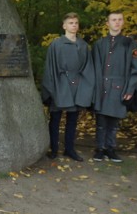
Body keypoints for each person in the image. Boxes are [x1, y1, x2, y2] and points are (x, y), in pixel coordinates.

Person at [90, 11, 137, 162]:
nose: (116, 22)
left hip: (120, 87)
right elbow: (93, 67)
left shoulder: (130, 44)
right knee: (101, 121)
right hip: (101, 87)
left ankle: (110, 149)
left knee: (113, 122)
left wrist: (130, 88)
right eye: (113, 20)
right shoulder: (99, 44)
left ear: (123, 22)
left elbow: (136, 69)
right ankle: (99, 149)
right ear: (107, 23)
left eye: (119, 20)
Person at [40, 12, 95, 161]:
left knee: (72, 119)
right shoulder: (56, 44)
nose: (74, 25)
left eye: (76, 23)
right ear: (64, 25)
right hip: (59, 85)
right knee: (55, 119)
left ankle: (70, 149)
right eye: (71, 23)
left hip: (77, 86)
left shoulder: (83, 45)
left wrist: (85, 88)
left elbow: (88, 69)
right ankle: (54, 149)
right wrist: (50, 90)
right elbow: (49, 68)